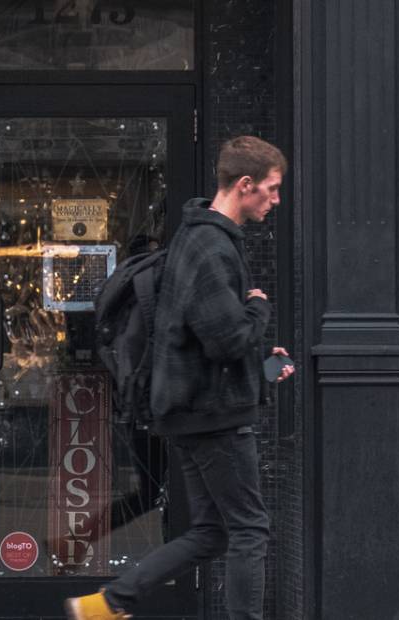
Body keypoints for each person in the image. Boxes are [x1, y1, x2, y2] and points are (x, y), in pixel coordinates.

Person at [68, 135, 293, 620]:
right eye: (272, 190)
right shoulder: (212, 247)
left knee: (210, 533)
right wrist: (258, 308)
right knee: (250, 530)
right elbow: (226, 340)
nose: (276, 200)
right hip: (213, 416)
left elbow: (204, 338)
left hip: (191, 411)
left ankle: (108, 603)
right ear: (245, 184)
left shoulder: (196, 239)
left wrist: (257, 359)